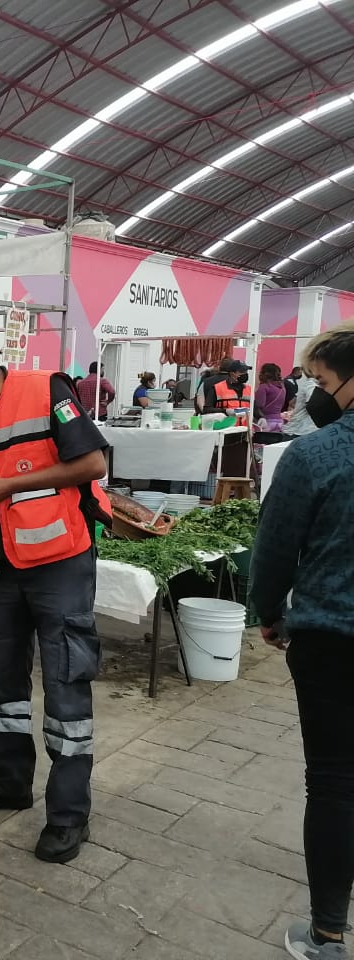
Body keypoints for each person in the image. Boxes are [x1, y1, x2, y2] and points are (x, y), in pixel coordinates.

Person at [0, 326, 110, 864]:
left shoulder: (45, 390)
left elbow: (93, 464)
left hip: (58, 562)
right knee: (2, 686)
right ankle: (7, 783)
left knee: (65, 687)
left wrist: (9, 486)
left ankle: (67, 816)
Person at [248, 324, 354, 960]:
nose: (315, 393)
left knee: (337, 780)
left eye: (319, 381)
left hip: (331, 638)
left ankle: (328, 934)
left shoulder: (315, 457)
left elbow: (275, 550)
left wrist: (268, 612)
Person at [285, 372, 321, 437]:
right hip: (303, 429)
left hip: (298, 428)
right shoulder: (312, 385)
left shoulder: (307, 384)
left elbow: (291, 402)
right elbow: (313, 404)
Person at [255, 363, 288, 432]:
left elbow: (259, 405)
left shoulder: (264, 387)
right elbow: (281, 405)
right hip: (279, 422)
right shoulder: (282, 388)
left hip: (266, 422)